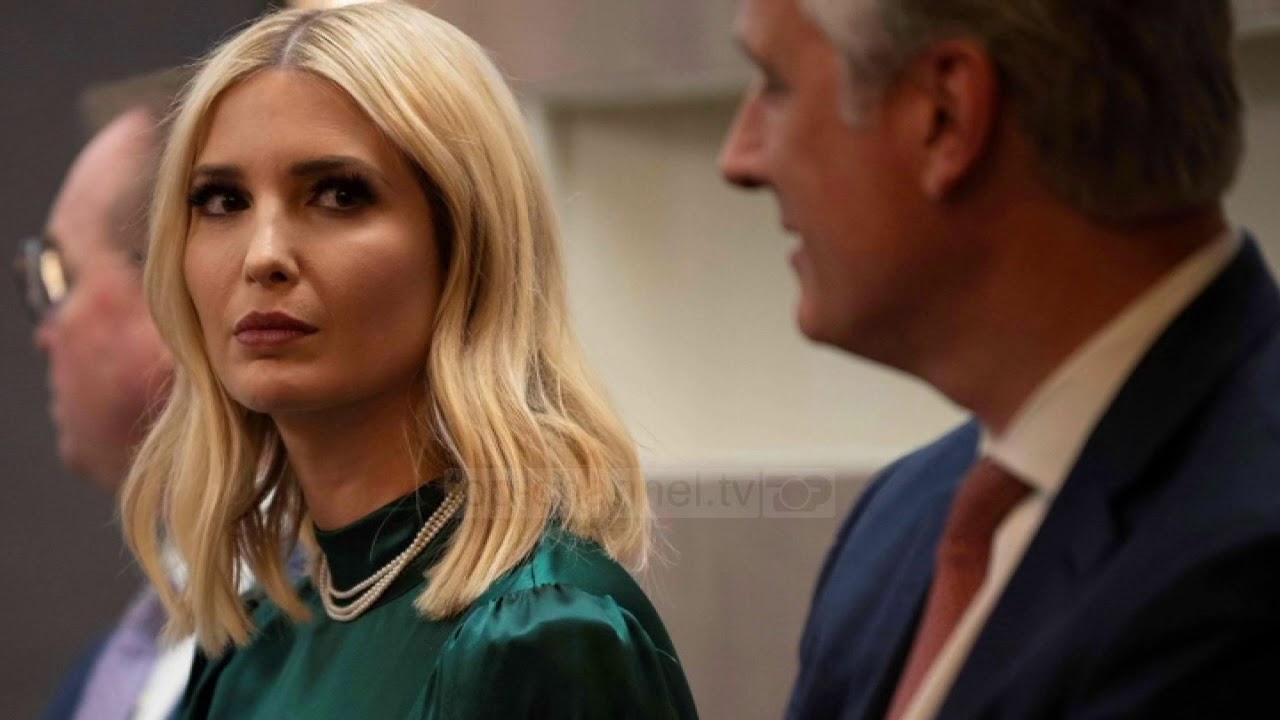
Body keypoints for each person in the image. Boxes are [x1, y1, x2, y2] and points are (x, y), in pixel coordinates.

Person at [121, 4, 697, 718]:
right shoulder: (251, 645)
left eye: (339, 194)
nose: (262, 255)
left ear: (465, 243)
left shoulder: (541, 633)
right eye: (222, 200)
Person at [721, 0, 1280, 718]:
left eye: (775, 84)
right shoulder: (899, 523)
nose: (739, 159)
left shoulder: (1245, 563)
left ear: (946, 113)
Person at [18, 98, 194, 720]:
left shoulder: (368, 633)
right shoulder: (106, 675)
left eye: (55, 278)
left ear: (172, 289)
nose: (45, 334)